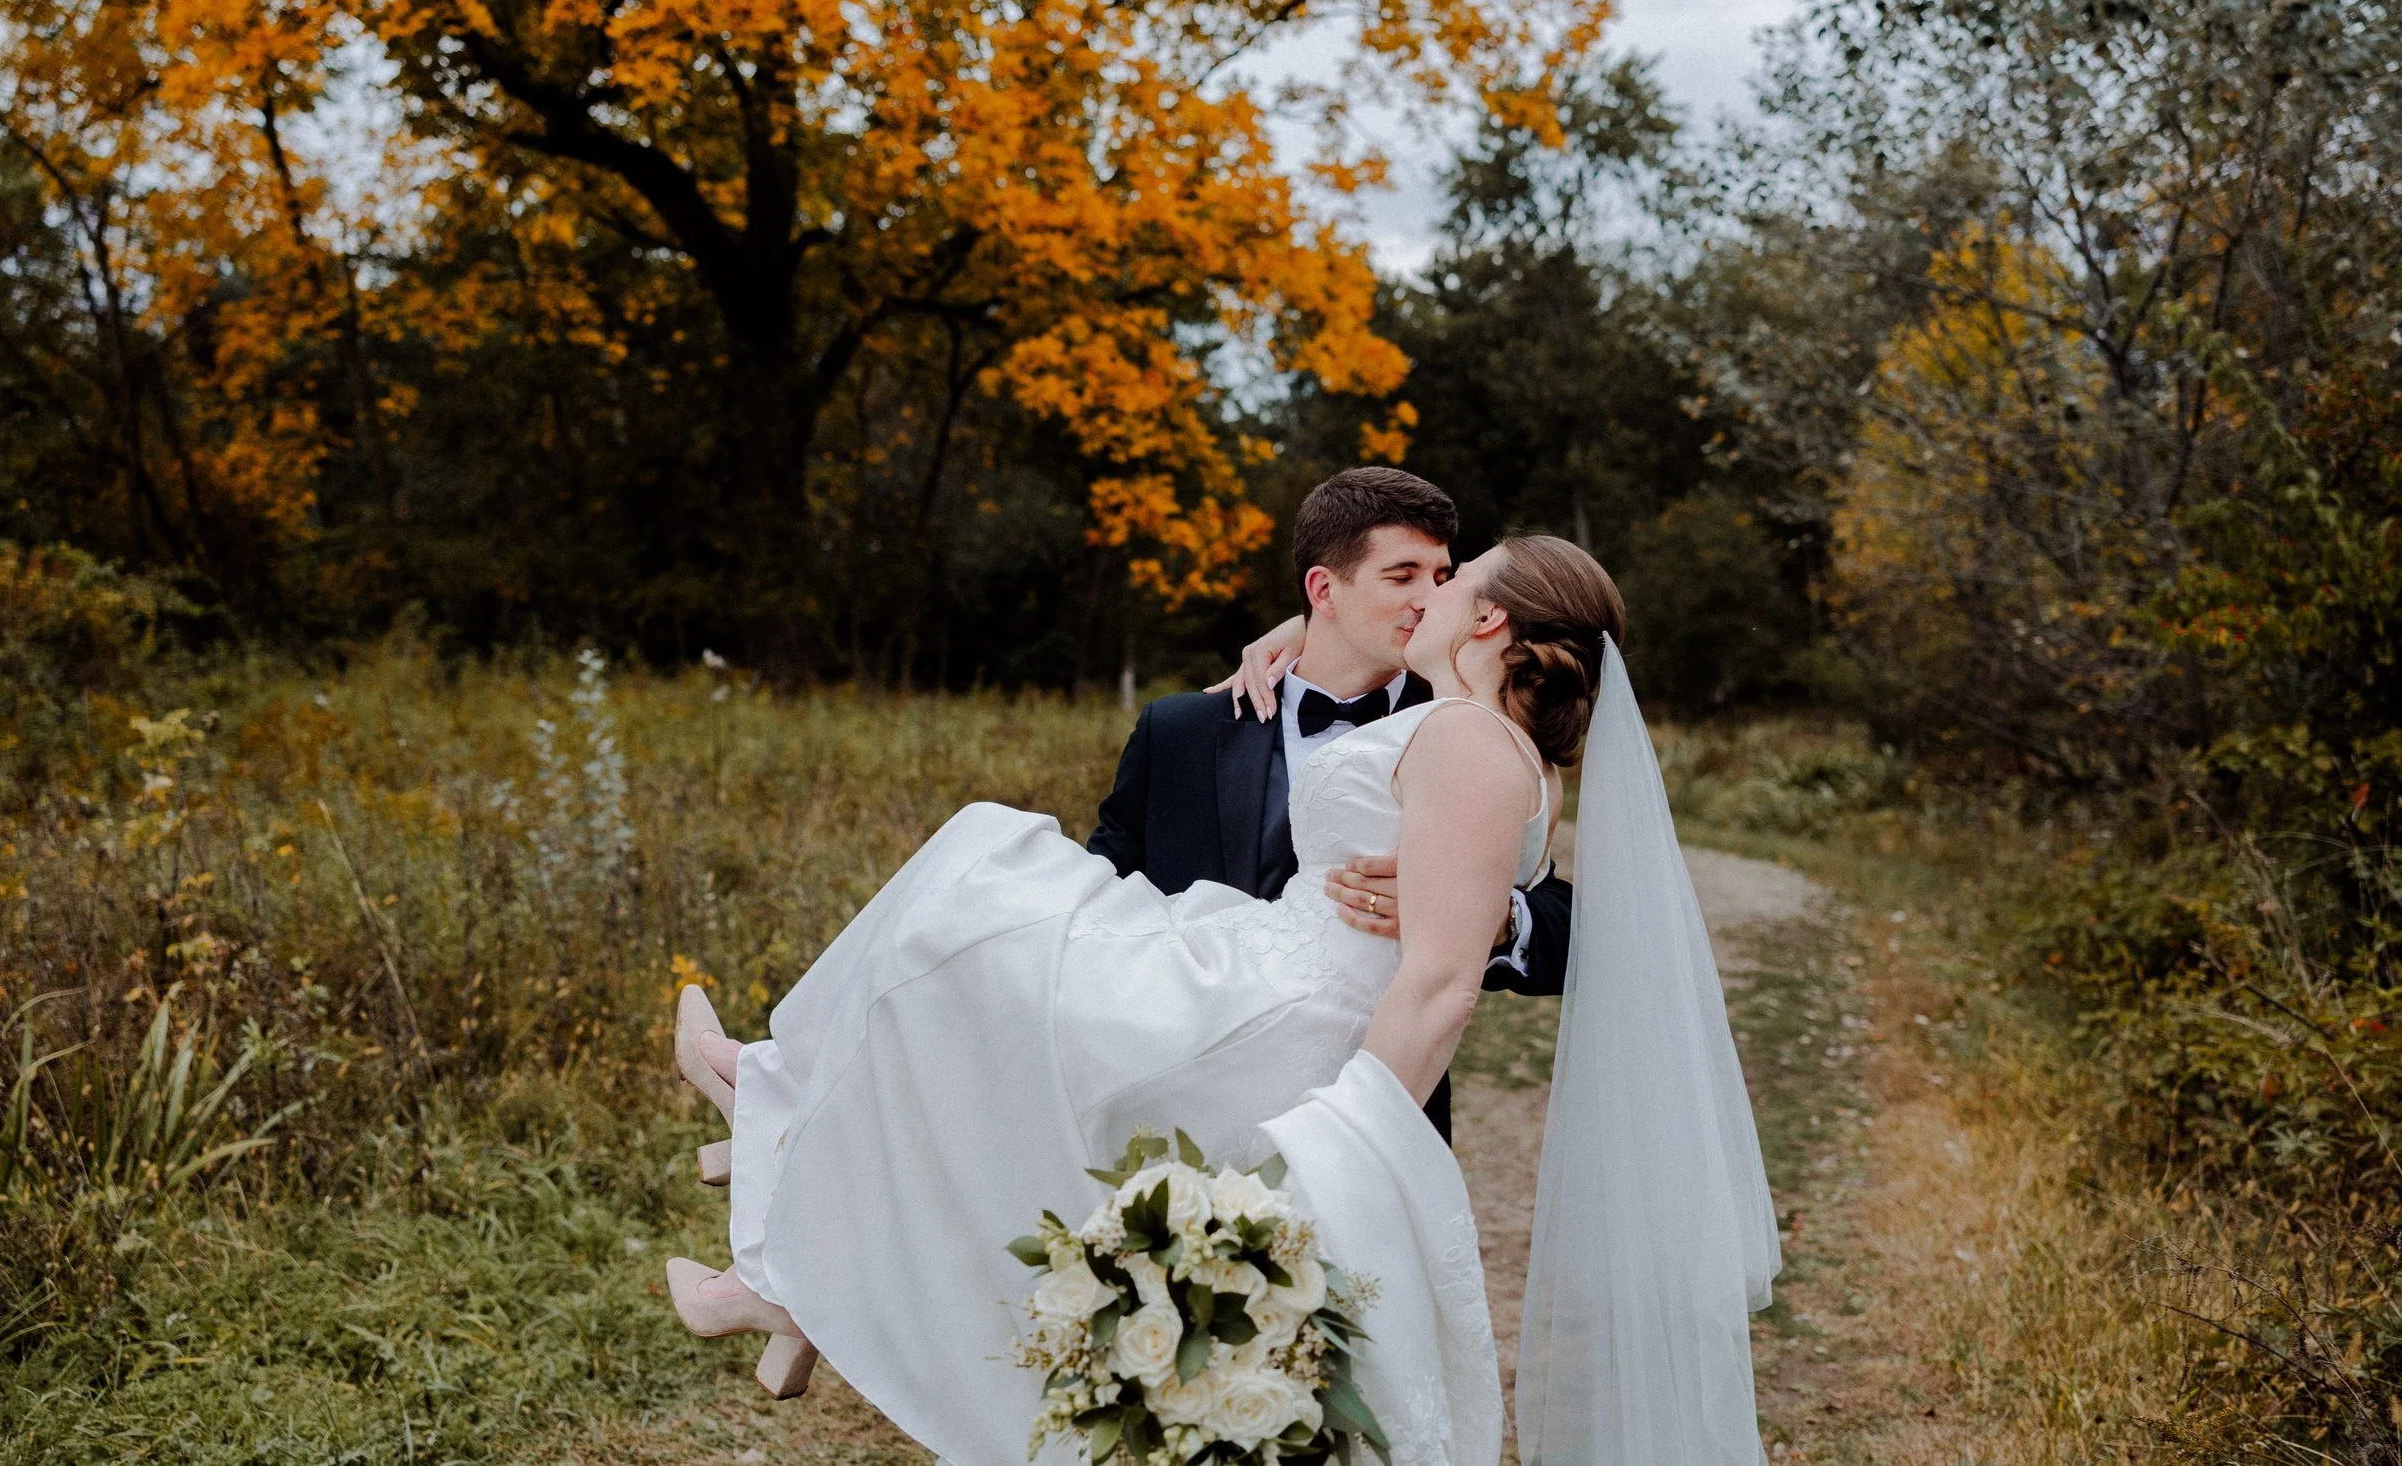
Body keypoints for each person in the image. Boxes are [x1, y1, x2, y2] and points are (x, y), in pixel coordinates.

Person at [662, 535, 1779, 1466]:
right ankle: (785, 1213)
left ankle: (772, 1124)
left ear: (1488, 623)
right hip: (1263, 970)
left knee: (983, 888)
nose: (1430, 594)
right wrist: (1300, 635)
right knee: (1001, 1029)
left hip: (1278, 1013)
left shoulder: (1469, 743)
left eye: (1453, 579)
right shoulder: (1478, 735)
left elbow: (1440, 982)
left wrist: (1354, 1145)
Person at [1082, 467, 1576, 1142]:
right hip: (1177, 1090)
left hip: (1378, 1090)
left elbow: (1572, 920)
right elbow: (1104, 891)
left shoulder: (1465, 725)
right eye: (1403, 576)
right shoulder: (1181, 732)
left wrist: (1494, 917)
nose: (1428, 598)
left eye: (1441, 576)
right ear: (1322, 589)